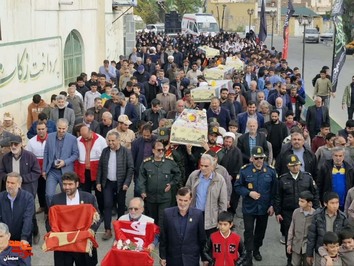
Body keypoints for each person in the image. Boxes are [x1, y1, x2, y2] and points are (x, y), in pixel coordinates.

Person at [235, 146, 277, 265]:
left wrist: (272, 205)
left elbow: (274, 191)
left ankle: (257, 249)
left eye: (261, 158)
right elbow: (237, 186)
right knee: (248, 231)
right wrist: (249, 193)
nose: (259, 160)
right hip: (249, 207)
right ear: (251, 158)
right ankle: (248, 253)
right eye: (257, 158)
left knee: (260, 231)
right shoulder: (244, 170)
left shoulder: (270, 171)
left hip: (264, 208)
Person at [275, 154, 319, 265]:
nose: (295, 167)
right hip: (288, 212)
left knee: (306, 234)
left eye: (297, 165)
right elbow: (278, 196)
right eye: (292, 165)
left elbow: (315, 194)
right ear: (288, 166)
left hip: (306, 212)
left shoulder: (307, 177)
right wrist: (278, 212)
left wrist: (317, 210)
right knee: (290, 235)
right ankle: (290, 259)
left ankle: (305, 258)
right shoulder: (282, 179)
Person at [48, 172, 100, 266]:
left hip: (82, 242)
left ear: (77, 184)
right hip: (64, 245)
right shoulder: (56, 199)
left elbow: (97, 217)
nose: (67, 187)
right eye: (64, 184)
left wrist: (92, 230)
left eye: (70, 184)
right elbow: (50, 220)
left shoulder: (89, 198)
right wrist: (54, 235)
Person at [96, 131, 134, 240]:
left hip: (121, 184)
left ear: (118, 140)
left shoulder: (126, 152)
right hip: (107, 182)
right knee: (107, 205)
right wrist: (98, 182)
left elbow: (130, 168)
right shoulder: (105, 151)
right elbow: (100, 168)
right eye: (109, 140)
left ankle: (120, 228)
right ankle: (108, 229)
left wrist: (127, 183)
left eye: (113, 140)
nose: (110, 143)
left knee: (121, 206)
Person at [159, 187, 207, 266]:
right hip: (172, 259)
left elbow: (202, 238)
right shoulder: (167, 213)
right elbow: (163, 237)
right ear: (176, 198)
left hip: (191, 260)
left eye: (185, 200)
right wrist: (162, 257)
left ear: (190, 200)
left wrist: (204, 258)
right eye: (180, 200)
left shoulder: (198, 215)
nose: (182, 203)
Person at [138, 141, 181, 228]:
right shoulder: (147, 163)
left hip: (164, 197)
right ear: (153, 150)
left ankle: (162, 239)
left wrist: (171, 184)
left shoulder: (169, 162)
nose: (161, 152)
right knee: (151, 220)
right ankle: (153, 239)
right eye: (158, 150)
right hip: (150, 197)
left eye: (162, 150)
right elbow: (141, 178)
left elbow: (178, 174)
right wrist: (142, 191)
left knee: (163, 220)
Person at [185, 153, 228, 237]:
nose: (203, 168)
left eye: (206, 166)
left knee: (209, 243)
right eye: (201, 165)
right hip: (195, 214)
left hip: (211, 218)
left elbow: (222, 202)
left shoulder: (219, 180)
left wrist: (221, 221)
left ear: (212, 166)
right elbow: (187, 193)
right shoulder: (194, 175)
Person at [43, 118, 79, 207]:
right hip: (52, 171)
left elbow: (75, 154)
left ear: (67, 128)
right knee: (49, 194)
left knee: (67, 194)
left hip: (66, 171)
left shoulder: (73, 139)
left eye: (63, 128)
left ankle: (65, 212)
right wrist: (44, 170)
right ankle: (52, 212)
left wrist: (65, 162)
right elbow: (46, 153)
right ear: (56, 127)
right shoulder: (50, 137)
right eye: (59, 128)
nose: (61, 130)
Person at [306, 192, 348, 266]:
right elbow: (312, 236)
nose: (335, 206)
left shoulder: (342, 217)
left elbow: (344, 236)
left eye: (337, 203)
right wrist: (309, 254)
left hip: (335, 252)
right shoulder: (317, 216)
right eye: (332, 203)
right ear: (325, 204)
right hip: (320, 250)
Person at [0, 172, 34, 245]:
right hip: (4, 238)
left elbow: (27, 218)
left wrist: (24, 238)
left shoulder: (28, 198)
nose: (9, 185)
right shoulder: (1, 197)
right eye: (7, 182)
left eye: (12, 183)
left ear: (19, 184)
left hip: (22, 237)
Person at [287, 191, 316, 266]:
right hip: (296, 244)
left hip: (307, 246)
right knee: (295, 263)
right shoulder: (296, 212)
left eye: (302, 201)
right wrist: (289, 243)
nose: (299, 203)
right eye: (299, 201)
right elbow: (291, 228)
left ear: (309, 203)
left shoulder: (315, 215)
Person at [25, 121, 48, 215]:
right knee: (39, 189)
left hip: (48, 169)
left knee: (48, 190)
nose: (41, 131)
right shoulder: (31, 142)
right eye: (39, 129)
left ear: (46, 129)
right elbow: (28, 156)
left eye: (43, 129)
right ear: (36, 130)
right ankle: (42, 206)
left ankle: (48, 209)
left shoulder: (51, 139)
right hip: (36, 169)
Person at [131, 124, 157, 197]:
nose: (145, 137)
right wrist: (133, 171)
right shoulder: (136, 142)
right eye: (144, 135)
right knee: (138, 191)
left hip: (153, 170)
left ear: (151, 133)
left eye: (148, 135)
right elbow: (132, 157)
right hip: (139, 170)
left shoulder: (157, 140)